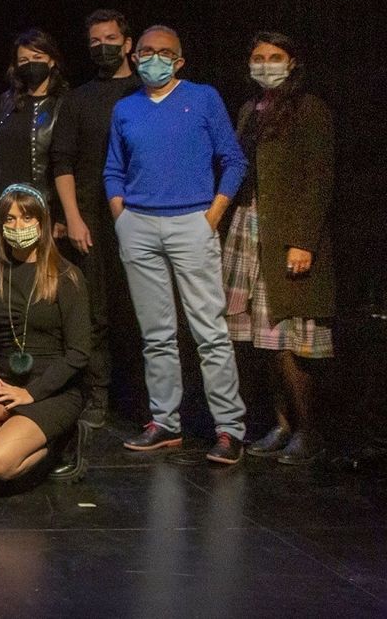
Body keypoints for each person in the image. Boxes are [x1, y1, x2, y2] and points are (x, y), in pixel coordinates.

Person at [105, 24, 248, 464]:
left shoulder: (203, 97)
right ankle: (165, 421)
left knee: (209, 330)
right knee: (156, 334)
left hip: (192, 221)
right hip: (140, 225)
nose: (153, 58)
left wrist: (212, 217)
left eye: (163, 52)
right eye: (145, 51)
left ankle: (230, 428)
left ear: (180, 61)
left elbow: (234, 159)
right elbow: (114, 167)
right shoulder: (126, 107)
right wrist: (122, 216)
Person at [222, 32, 335, 465]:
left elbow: (319, 179)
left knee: (290, 341)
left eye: (275, 57)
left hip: (287, 236)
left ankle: (309, 432)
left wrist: (302, 242)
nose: (266, 64)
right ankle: (282, 424)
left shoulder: (310, 109)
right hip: (249, 229)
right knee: (262, 341)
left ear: (292, 62)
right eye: (258, 57)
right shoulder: (250, 110)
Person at [0, 185, 93, 484]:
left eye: (27, 218)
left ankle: (60, 442)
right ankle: (15, 430)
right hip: (5, 381)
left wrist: (31, 393)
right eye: (10, 219)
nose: (18, 227)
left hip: (53, 389)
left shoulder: (67, 276)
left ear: (42, 223)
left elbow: (79, 353)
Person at [49, 9, 140, 427]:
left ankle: (145, 401)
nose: (102, 47)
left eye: (110, 39)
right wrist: (73, 217)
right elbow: (62, 161)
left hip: (142, 215)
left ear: (128, 43)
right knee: (96, 311)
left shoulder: (146, 90)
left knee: (142, 310)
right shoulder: (79, 98)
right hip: (91, 218)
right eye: (94, 42)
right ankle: (98, 396)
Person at [0, 29, 69, 204]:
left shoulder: (65, 103)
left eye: (37, 58)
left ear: (51, 61)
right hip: (6, 201)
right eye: (24, 60)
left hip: (42, 203)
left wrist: (61, 216)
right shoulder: (6, 101)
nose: (31, 64)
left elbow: (65, 164)